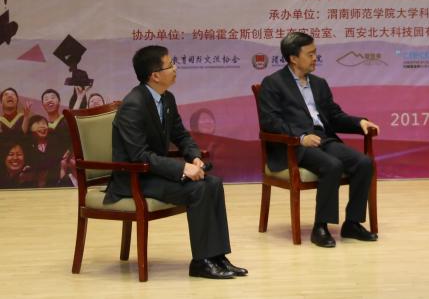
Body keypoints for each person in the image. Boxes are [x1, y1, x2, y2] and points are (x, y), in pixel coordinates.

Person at [105, 45, 246, 279]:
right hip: (135, 178)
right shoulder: (133, 105)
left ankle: (217, 256)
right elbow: (139, 155)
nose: (175, 68)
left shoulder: (166, 98)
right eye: (170, 65)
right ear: (155, 75)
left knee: (213, 183)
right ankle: (201, 262)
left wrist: (194, 157)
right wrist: (182, 168)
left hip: (154, 173)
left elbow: (181, 136)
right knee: (198, 189)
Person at [258, 32, 380, 248]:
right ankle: (320, 227)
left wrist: (359, 122)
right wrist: (300, 137)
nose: (315, 58)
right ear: (293, 58)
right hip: (293, 145)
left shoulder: (319, 83)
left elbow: (334, 116)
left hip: (324, 139)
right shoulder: (273, 83)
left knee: (363, 163)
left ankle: (352, 223)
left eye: (316, 53)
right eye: (310, 54)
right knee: (332, 165)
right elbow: (271, 122)